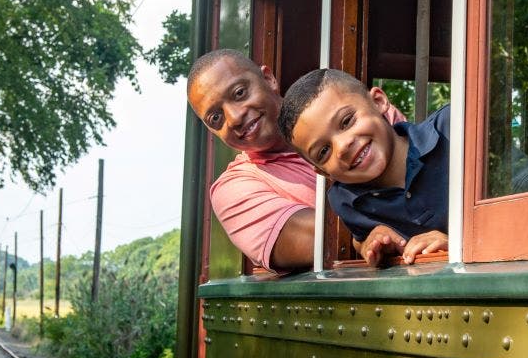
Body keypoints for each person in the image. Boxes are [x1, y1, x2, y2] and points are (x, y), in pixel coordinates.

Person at [186, 49, 403, 272]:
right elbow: (324, 238)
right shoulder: (233, 189)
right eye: (216, 118)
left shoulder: (355, 110)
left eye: (240, 93)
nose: (234, 117)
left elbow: (426, 169)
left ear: (268, 79)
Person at [278, 68, 449, 267]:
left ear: (379, 102)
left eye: (347, 121)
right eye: (324, 151)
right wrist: (369, 242)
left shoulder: (452, 128)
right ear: (323, 171)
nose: (342, 147)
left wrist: (458, 245)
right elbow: (361, 237)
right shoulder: (347, 202)